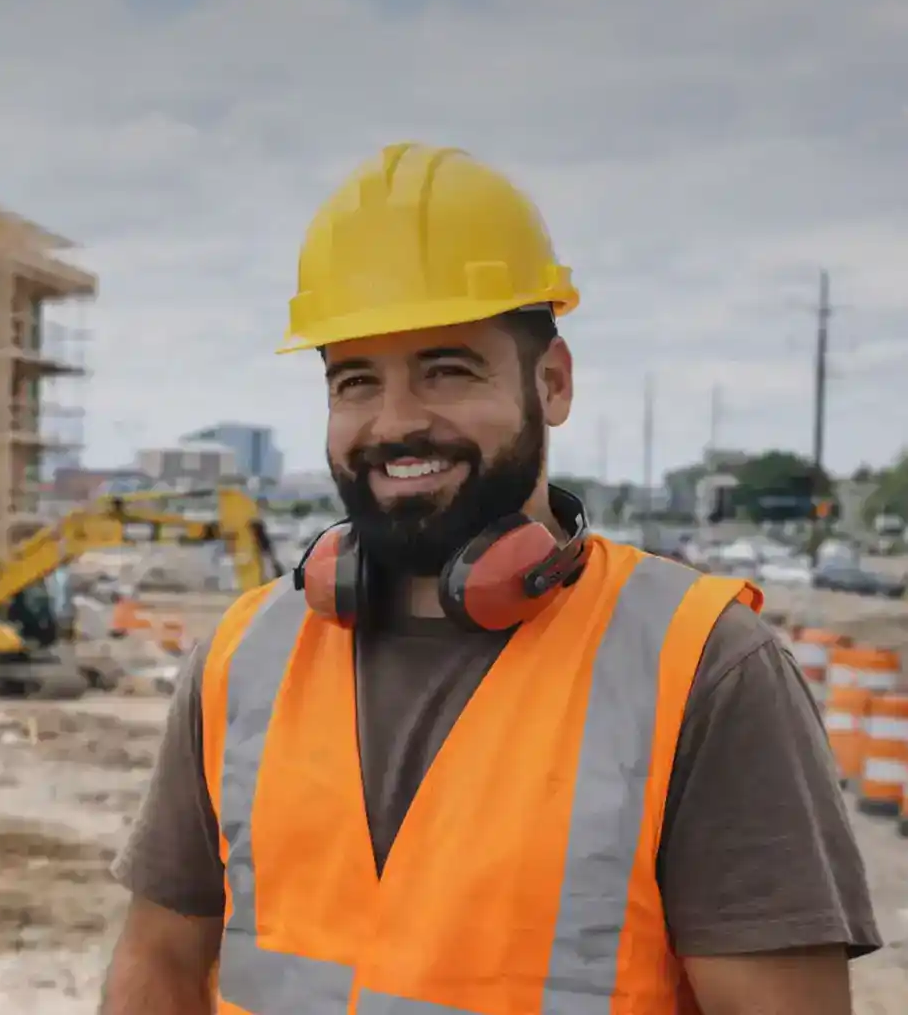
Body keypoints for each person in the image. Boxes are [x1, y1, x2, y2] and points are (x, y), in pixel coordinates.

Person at [101, 143, 880, 1015]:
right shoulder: (242, 657)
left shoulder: (702, 669)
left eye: (447, 368)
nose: (395, 422)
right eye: (356, 381)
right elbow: (158, 967)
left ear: (552, 381)